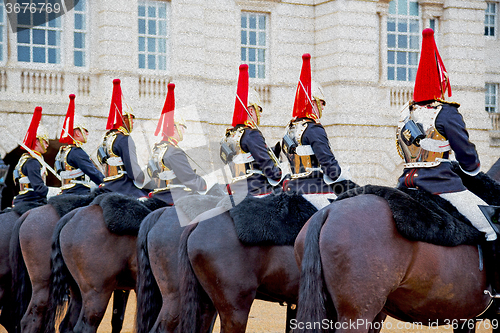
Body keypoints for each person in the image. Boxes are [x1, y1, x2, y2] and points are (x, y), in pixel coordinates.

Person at [395, 28, 500, 296]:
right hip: (441, 184)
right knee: (493, 226)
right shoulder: (447, 112)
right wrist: (471, 169)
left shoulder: (406, 113)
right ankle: (496, 290)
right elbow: (468, 160)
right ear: (442, 82)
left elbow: (401, 147)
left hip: (406, 183)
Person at [281, 53, 351, 207]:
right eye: (322, 103)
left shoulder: (290, 129)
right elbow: (331, 171)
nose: (323, 107)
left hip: (292, 189)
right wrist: (341, 173)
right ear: (313, 102)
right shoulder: (314, 129)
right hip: (315, 191)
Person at [220, 64, 282, 196]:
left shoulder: (231, 136)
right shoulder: (252, 134)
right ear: (251, 110)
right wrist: (278, 173)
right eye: (259, 110)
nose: (259, 115)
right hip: (256, 189)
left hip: (235, 189)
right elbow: (267, 166)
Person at [148, 83, 207, 205]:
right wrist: (206, 183)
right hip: (176, 198)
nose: (184, 131)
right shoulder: (174, 152)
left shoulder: (157, 149)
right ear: (174, 127)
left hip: (158, 196)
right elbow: (190, 179)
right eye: (182, 127)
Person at [97, 79, 148, 198]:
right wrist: (146, 180)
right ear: (124, 119)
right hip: (123, 185)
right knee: (147, 200)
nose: (133, 122)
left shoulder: (106, 139)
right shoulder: (124, 139)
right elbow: (133, 171)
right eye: (131, 118)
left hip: (107, 184)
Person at [55, 94, 105, 195]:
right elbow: (93, 173)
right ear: (77, 133)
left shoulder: (63, 151)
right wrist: (106, 184)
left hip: (65, 191)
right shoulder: (77, 152)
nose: (87, 133)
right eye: (85, 130)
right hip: (79, 192)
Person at [12, 106, 50, 206]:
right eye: (45, 141)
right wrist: (56, 192)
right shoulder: (32, 162)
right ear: (37, 142)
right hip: (32, 200)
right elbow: (39, 188)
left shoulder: (24, 158)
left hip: (23, 199)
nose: (47, 145)